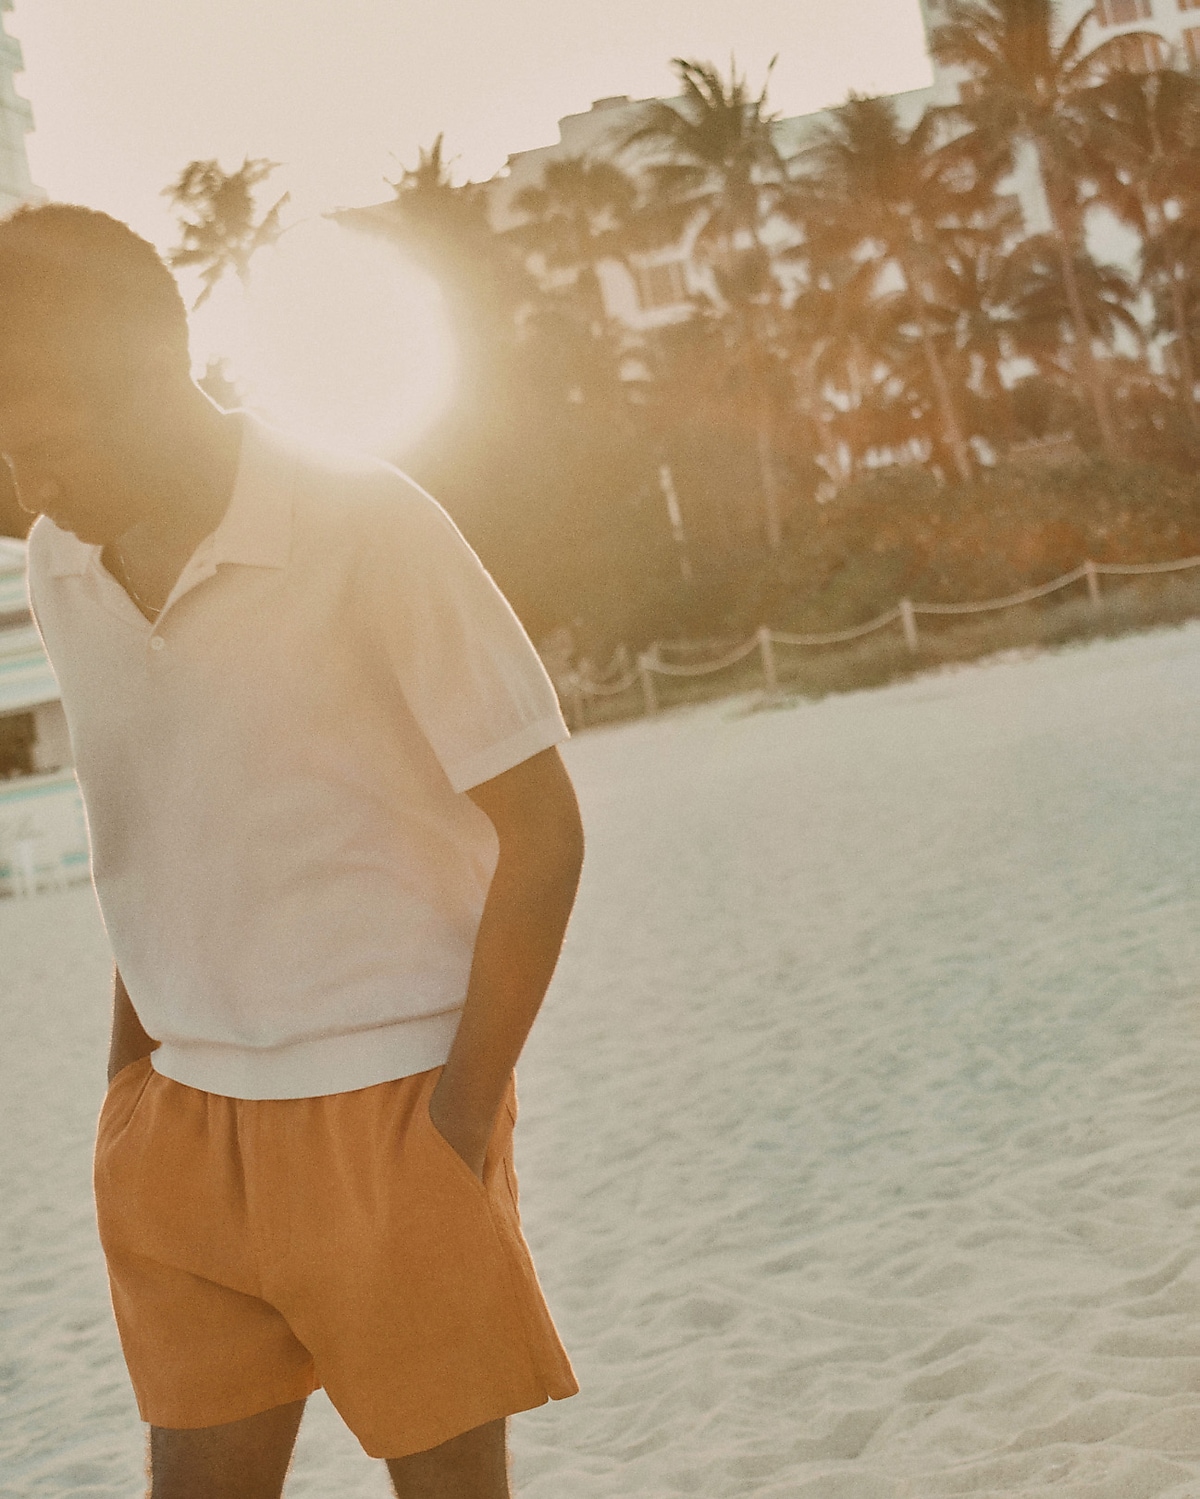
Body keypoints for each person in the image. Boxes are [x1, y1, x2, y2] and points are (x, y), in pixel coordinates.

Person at [0, 203, 584, 1499]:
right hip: (180, 1137)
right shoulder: (59, 562)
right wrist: (128, 1099)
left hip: (393, 1109)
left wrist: (457, 1127)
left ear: (150, 378)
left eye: (39, 444)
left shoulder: (366, 522)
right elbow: (155, 831)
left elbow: (545, 830)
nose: (24, 488)